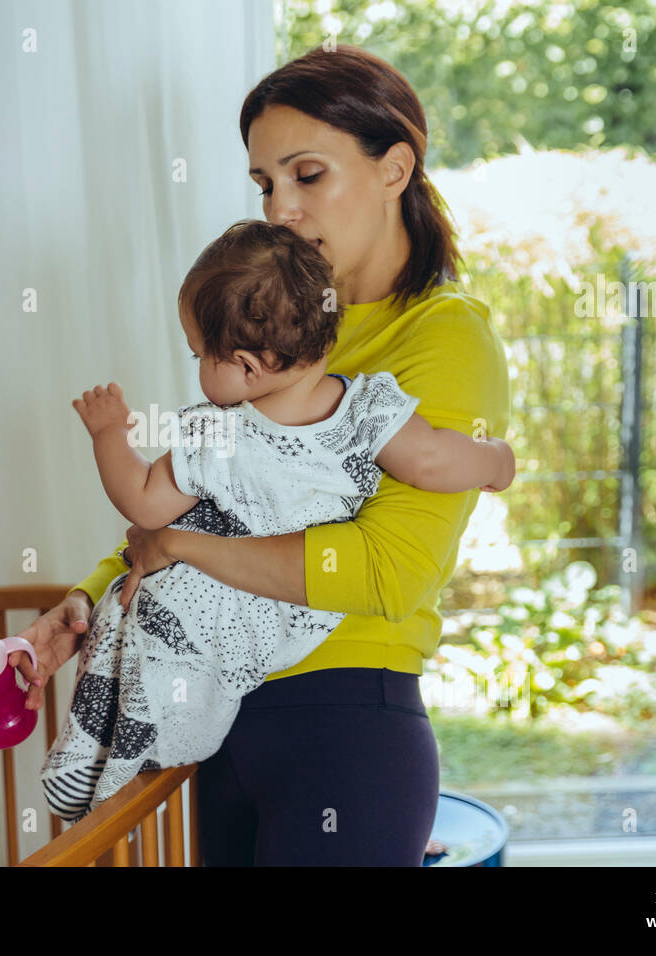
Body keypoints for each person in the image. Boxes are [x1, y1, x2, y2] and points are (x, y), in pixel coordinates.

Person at [15, 44, 512, 865]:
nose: (282, 209)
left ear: (395, 169)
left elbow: (386, 570)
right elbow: (206, 494)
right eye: (264, 184)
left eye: (307, 174)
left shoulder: (443, 338)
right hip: (224, 714)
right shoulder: (272, 324)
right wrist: (86, 602)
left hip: (343, 721)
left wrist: (180, 548)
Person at [39, 219, 514, 823]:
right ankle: (135, 737)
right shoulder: (369, 406)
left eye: (197, 354)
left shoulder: (219, 433)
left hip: (221, 617)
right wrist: (496, 461)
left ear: (242, 366)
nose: (198, 370)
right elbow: (432, 460)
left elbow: (143, 504)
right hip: (295, 619)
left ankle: (101, 750)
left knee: (136, 627)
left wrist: (108, 433)